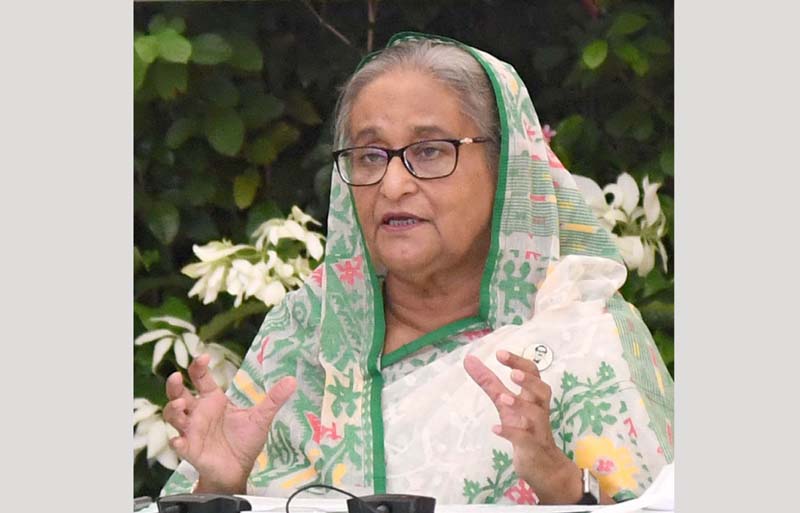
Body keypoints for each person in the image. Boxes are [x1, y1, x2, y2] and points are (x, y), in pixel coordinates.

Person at [161, 32, 674, 505]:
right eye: (369, 155)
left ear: (505, 168)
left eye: (429, 151)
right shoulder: (307, 331)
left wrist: (562, 486)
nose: (392, 185)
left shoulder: (579, 337)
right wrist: (219, 489)